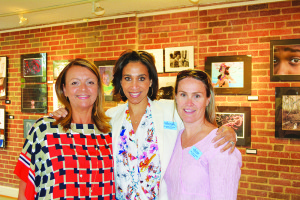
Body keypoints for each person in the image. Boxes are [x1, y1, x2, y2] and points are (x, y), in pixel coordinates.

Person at [51, 50, 237, 200]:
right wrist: (64, 112)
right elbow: (81, 126)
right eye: (127, 78)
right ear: (120, 82)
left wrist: (227, 131)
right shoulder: (110, 118)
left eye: (141, 78)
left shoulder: (171, 112)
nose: (134, 86)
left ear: (150, 81)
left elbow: (198, 121)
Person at [14, 58, 115, 200]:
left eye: (90, 82)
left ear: (98, 89)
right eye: (75, 83)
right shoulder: (45, 130)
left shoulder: (111, 132)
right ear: (64, 89)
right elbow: (25, 190)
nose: (83, 89)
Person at [164, 70, 242, 199]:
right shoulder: (174, 138)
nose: (189, 103)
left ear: (207, 99)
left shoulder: (220, 144)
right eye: (183, 94)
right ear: (176, 97)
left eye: (197, 96)